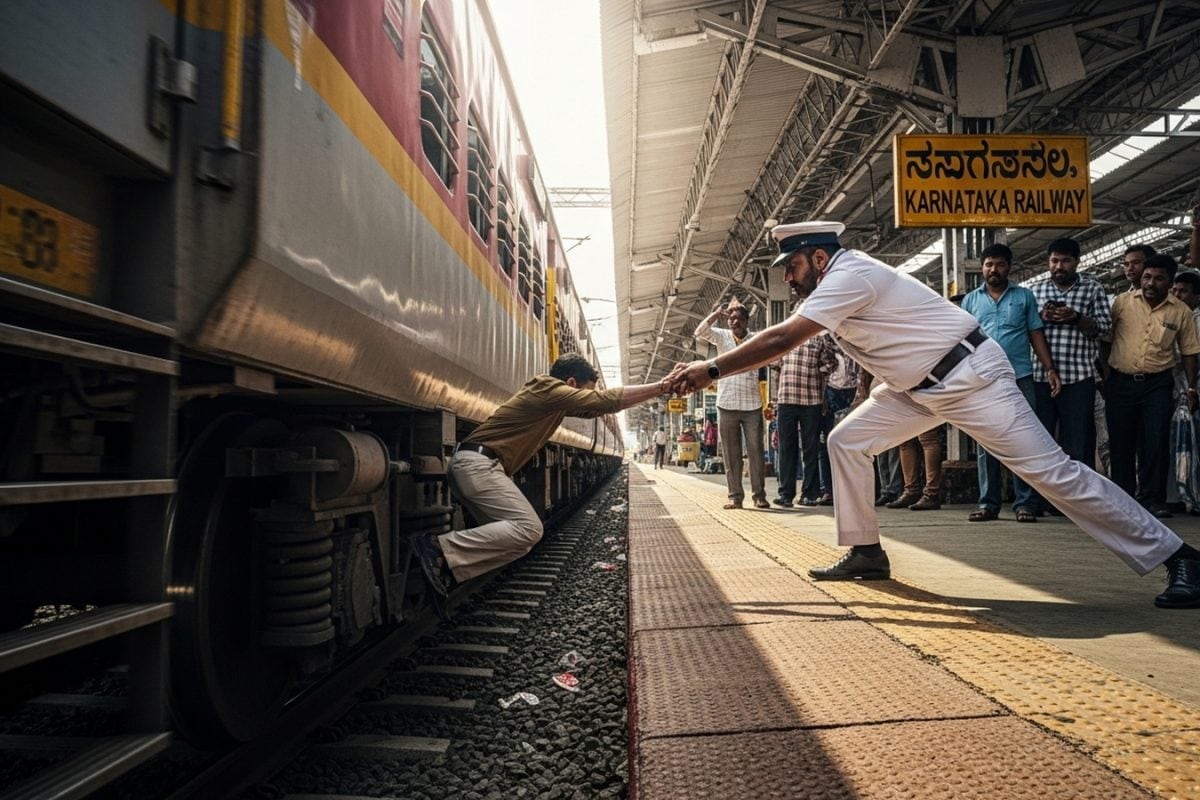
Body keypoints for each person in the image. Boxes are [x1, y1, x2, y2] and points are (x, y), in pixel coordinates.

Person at [664, 220, 1200, 609]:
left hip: (971, 379)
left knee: (1054, 473)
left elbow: (783, 338)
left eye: (794, 266)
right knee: (846, 441)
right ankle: (866, 551)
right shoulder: (833, 286)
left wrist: (710, 369)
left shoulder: (851, 275)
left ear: (820, 258)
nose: (789, 279)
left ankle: (1180, 558)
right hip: (916, 388)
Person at [413, 354, 669, 610]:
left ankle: (445, 568)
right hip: (477, 465)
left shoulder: (553, 400)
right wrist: (663, 386)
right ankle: (438, 548)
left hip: (476, 466)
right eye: (585, 391)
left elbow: (593, 408)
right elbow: (603, 401)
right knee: (529, 529)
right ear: (571, 382)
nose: (586, 398)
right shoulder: (546, 387)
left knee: (520, 544)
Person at [960, 243, 1061, 522]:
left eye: (1000, 264)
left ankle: (1025, 503)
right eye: (989, 264)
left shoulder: (1024, 297)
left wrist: (1049, 368)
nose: (994, 269)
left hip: (1020, 377)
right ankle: (988, 504)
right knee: (986, 441)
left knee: (1023, 440)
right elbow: (964, 342)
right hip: (983, 380)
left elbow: (1035, 334)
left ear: (1009, 267)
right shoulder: (970, 301)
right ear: (982, 268)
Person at [1102, 254, 1200, 518]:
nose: (1150, 283)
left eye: (1158, 278)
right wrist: (1104, 374)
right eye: (1147, 277)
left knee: (1154, 442)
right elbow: (1104, 338)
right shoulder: (1121, 303)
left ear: (1169, 282)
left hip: (1157, 384)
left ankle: (1152, 499)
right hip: (1120, 383)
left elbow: (1190, 351)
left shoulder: (1181, 311)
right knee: (1121, 443)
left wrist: (1192, 388)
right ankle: (1123, 499)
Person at [695, 299, 770, 509]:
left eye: (738, 318)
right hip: (726, 403)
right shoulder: (721, 337)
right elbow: (700, 331)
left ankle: (759, 496)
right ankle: (735, 497)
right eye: (731, 318)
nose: (734, 322)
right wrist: (716, 314)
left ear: (747, 321)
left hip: (752, 405)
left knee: (756, 452)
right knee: (731, 454)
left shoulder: (756, 339)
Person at [773, 329, 837, 508]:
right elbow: (776, 368)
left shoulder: (819, 339)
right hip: (785, 399)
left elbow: (832, 363)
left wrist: (819, 372)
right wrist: (774, 399)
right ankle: (786, 494)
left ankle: (809, 494)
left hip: (812, 400)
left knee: (811, 449)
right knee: (786, 449)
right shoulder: (785, 339)